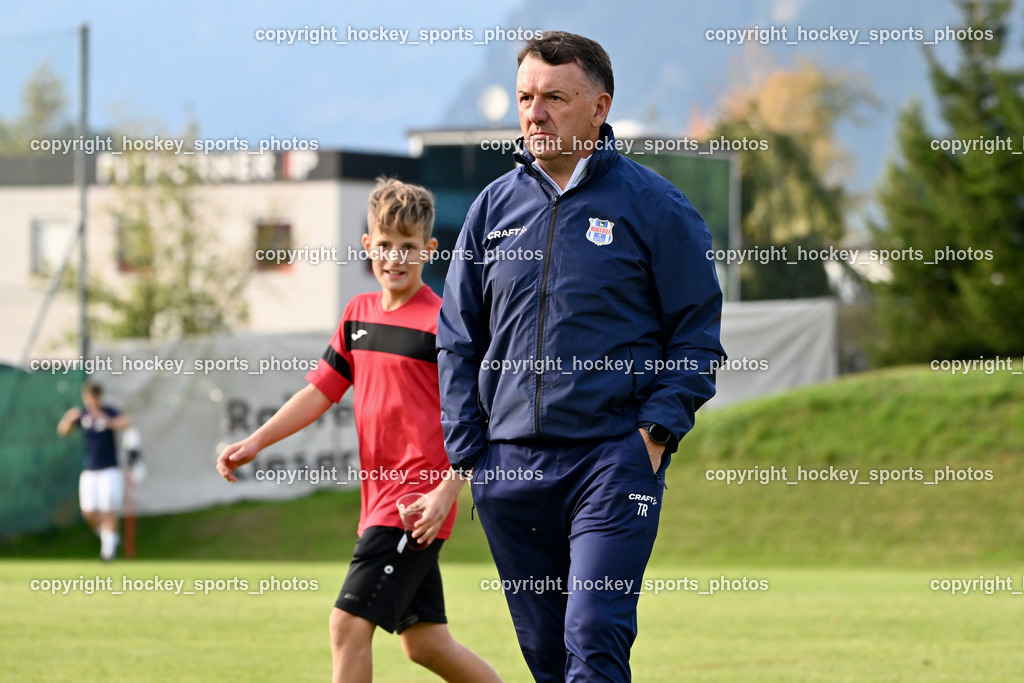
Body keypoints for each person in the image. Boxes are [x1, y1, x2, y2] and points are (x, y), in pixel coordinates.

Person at [437, 31, 726, 681]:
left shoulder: (656, 207)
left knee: (593, 635)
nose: (535, 113)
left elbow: (697, 334)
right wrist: (470, 449)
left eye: (554, 98)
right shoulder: (493, 210)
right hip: (509, 471)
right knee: (547, 659)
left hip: (611, 461)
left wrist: (653, 434)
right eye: (525, 98)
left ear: (599, 107)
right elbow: (457, 336)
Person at [216, 178, 501, 683]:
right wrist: (255, 441)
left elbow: (479, 414)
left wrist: (445, 493)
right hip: (377, 503)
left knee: (347, 625)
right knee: (425, 644)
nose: (395, 258)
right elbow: (319, 392)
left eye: (408, 247)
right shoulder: (357, 316)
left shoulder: (445, 324)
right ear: (367, 245)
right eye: (385, 245)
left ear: (429, 251)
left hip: (413, 505)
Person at [57, 381, 132, 561]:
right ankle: (110, 538)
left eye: (94, 398)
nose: (91, 402)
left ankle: (107, 553)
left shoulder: (108, 412)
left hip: (109, 469)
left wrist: (108, 422)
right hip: (90, 470)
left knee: (108, 509)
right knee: (88, 511)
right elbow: (63, 431)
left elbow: (125, 423)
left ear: (99, 397)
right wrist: (68, 418)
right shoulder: (82, 415)